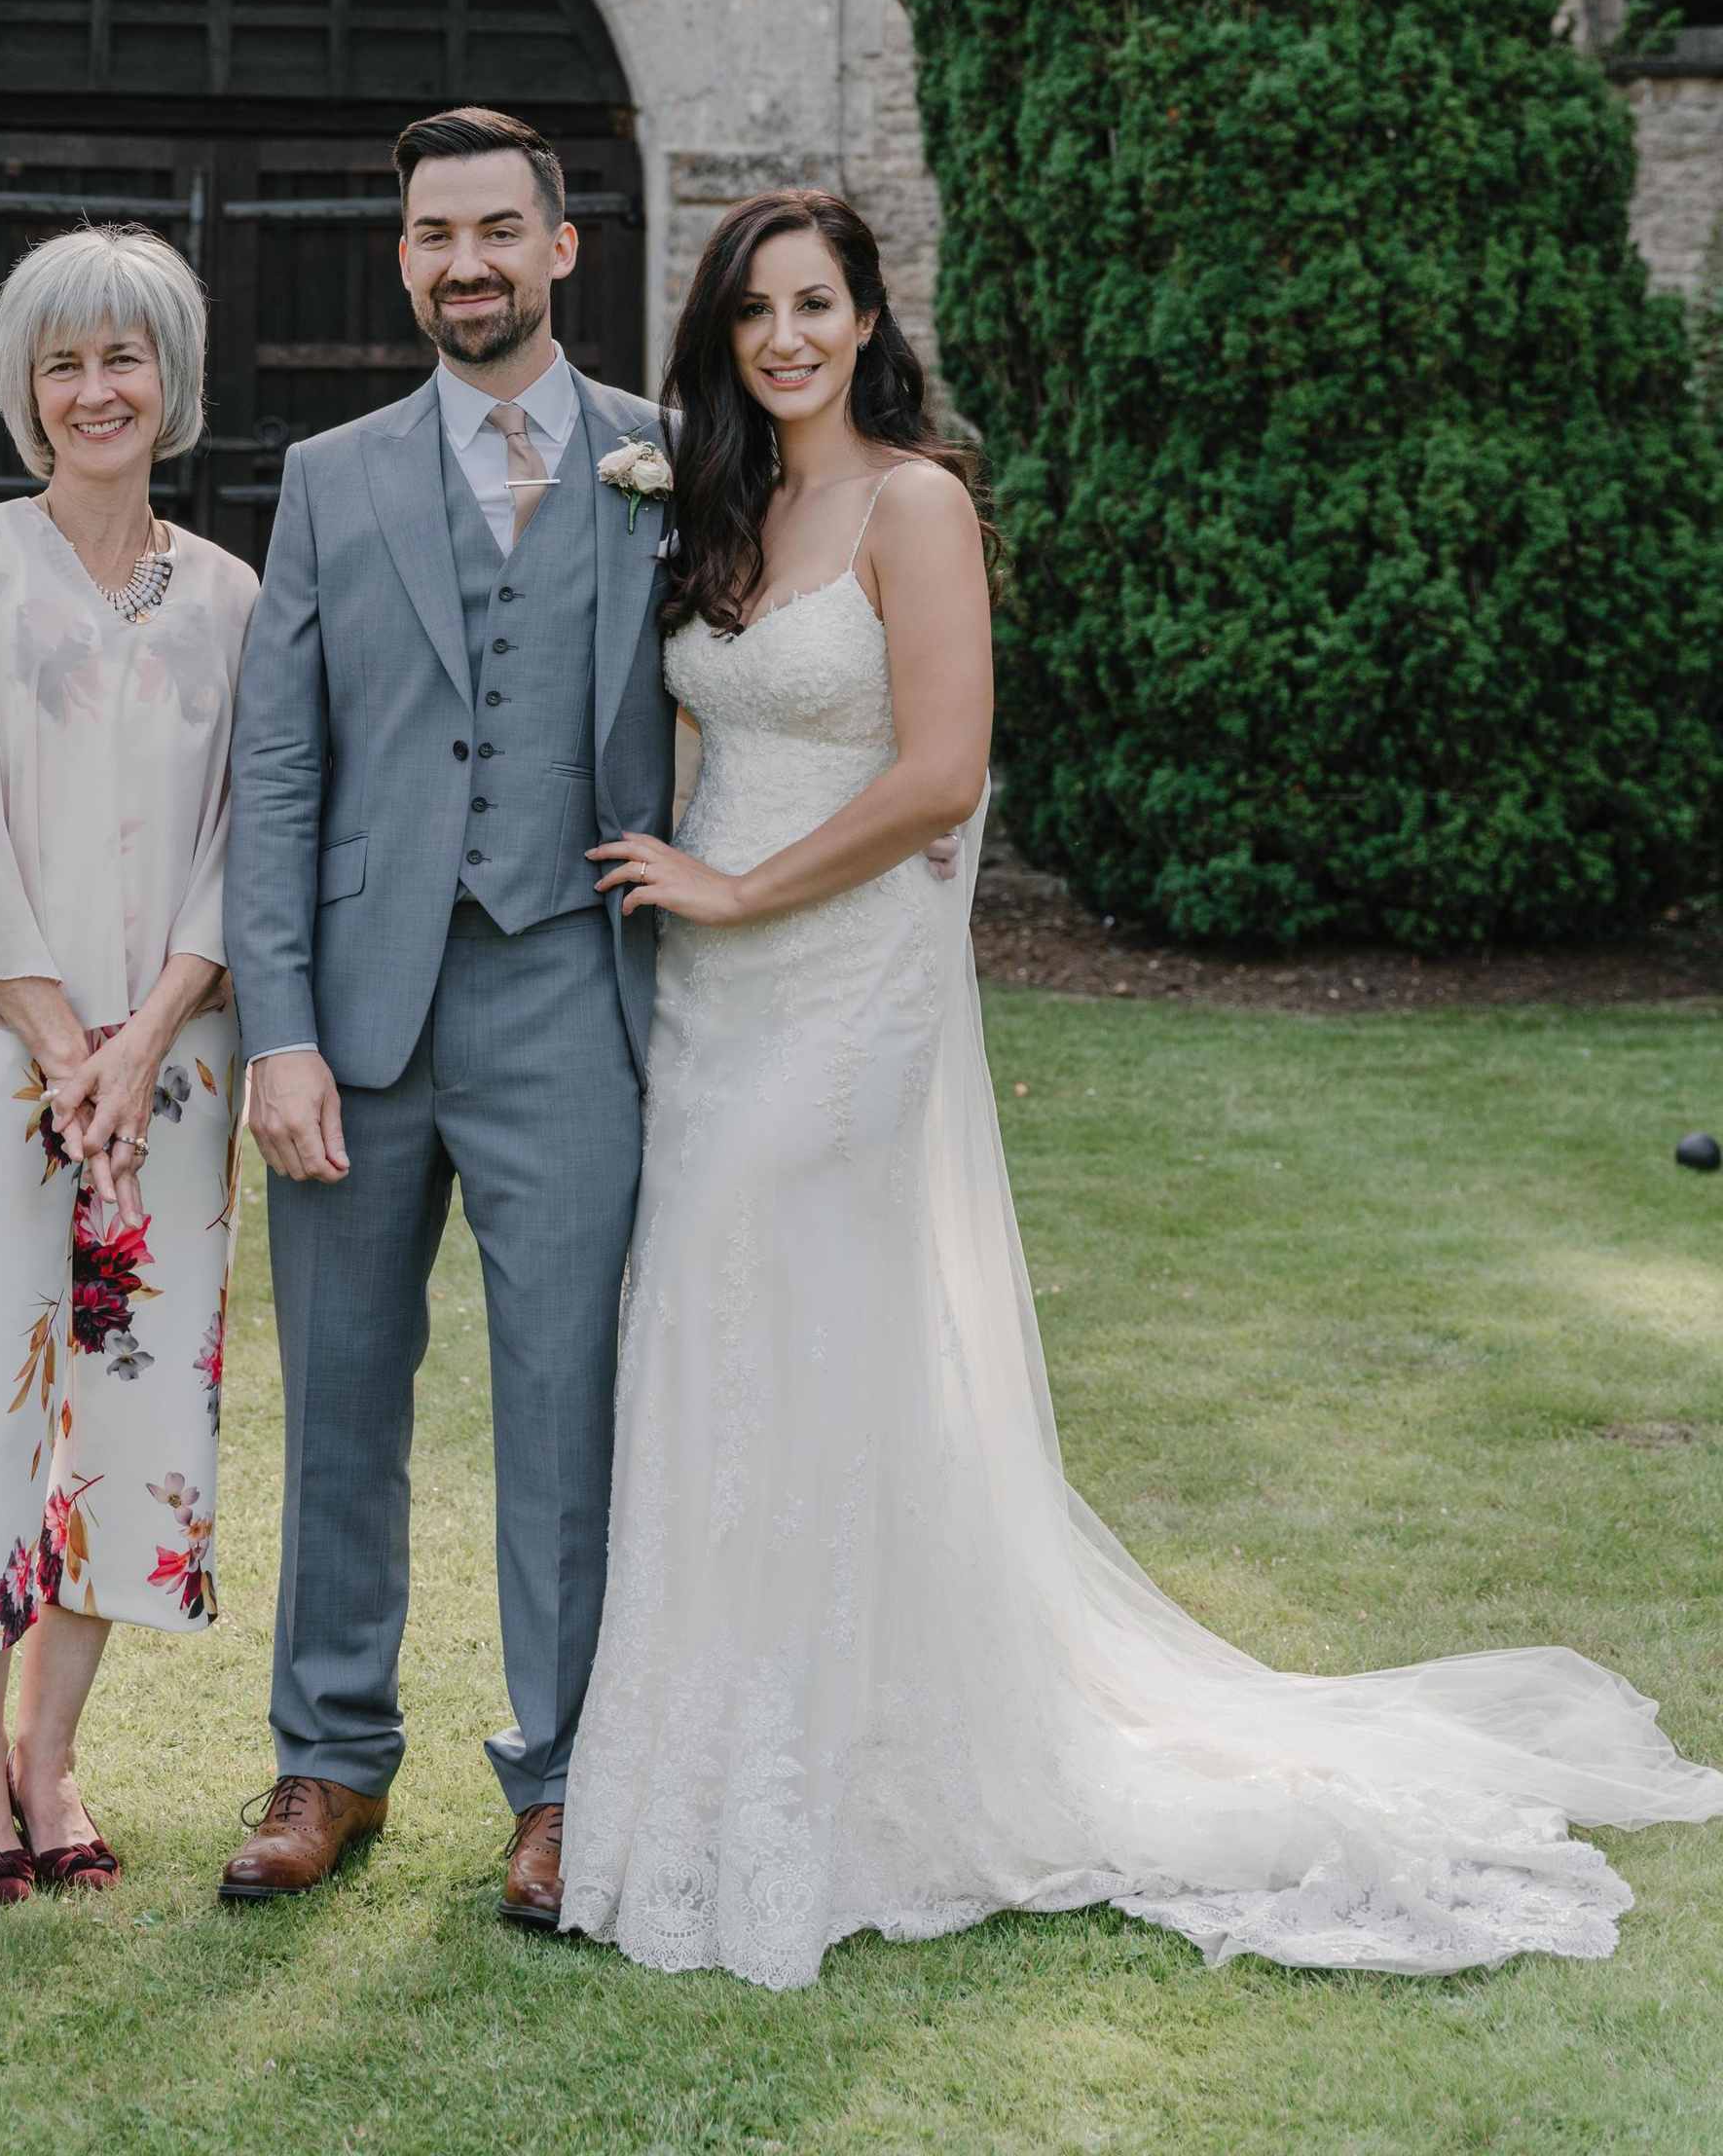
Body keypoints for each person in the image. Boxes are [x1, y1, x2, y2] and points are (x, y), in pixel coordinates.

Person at [562, 187, 1723, 1987]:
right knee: (724, 1332)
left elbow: (945, 775)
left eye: (816, 304)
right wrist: (685, 874)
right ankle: (741, 1752)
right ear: (723, 337)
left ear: (870, 319)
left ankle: (856, 1775)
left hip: (847, 978)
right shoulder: (728, 508)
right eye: (753, 312)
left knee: (778, 1296)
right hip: (711, 1001)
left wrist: (730, 880)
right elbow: (722, 722)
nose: (785, 337)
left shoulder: (914, 502)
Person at [220, 107, 674, 1930]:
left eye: (497, 231)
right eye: (431, 236)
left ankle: (564, 1779)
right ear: (401, 257)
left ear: (563, 248)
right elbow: (277, 762)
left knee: (570, 1400)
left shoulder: (671, 454)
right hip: (356, 1008)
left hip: (575, 984)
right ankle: (330, 1759)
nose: (463, 264)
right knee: (339, 1393)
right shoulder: (333, 475)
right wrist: (279, 1028)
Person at [0, 224, 255, 1905]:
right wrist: (58, 1042)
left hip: (170, 1069)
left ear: (172, 382)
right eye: (63, 362)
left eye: (125, 357)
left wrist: (144, 1036)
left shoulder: (235, 598)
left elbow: (253, 836)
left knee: (136, 1398)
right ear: (24, 390)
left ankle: (52, 1758)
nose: (96, 389)